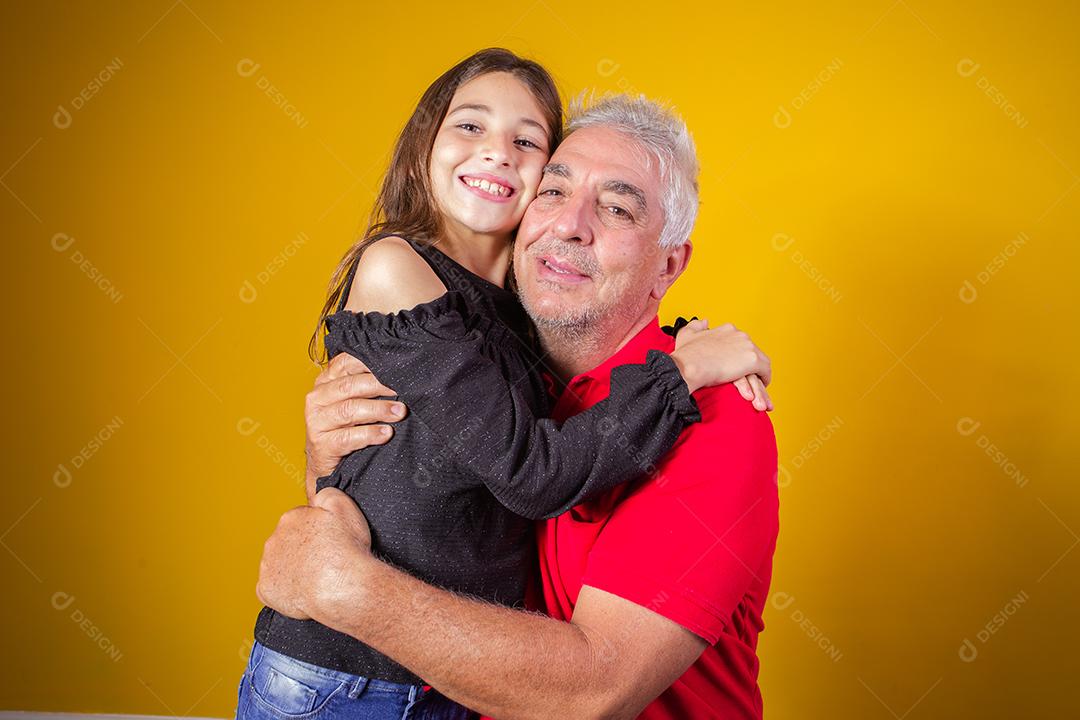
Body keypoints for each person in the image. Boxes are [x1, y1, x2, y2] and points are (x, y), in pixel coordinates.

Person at [239, 50, 772, 719]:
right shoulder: (504, 355)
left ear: (669, 264)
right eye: (555, 189)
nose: (570, 223)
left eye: (616, 209)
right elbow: (414, 493)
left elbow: (592, 691)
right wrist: (327, 463)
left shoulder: (713, 416)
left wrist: (344, 586)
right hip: (359, 688)